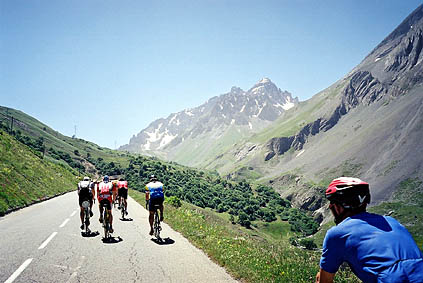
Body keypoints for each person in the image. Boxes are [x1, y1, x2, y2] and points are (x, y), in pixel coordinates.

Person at [316, 177, 423, 283]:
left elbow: (324, 280)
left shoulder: (337, 233)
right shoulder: (392, 222)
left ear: (337, 207)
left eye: (331, 205)